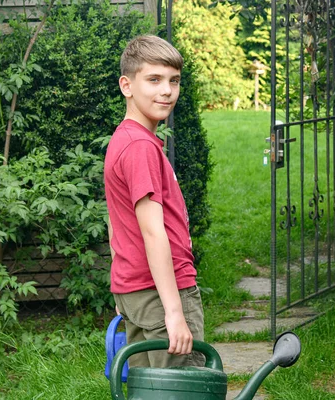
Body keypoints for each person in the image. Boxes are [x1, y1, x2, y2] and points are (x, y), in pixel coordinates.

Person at [104, 34, 205, 369]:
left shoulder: (125, 138)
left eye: (174, 81)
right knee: (186, 389)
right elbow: (152, 232)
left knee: (150, 390)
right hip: (162, 294)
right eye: (154, 80)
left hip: (138, 293)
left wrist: (123, 288)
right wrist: (175, 313)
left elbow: (117, 223)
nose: (167, 91)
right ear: (126, 85)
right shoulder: (140, 148)